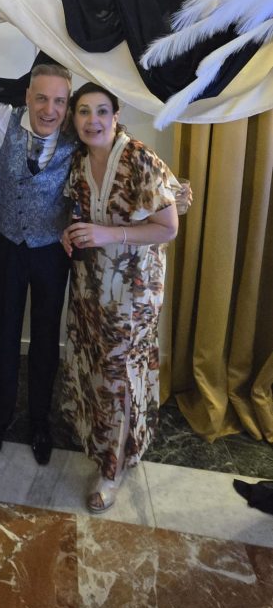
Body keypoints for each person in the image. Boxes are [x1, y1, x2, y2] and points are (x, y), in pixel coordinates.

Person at [60, 82, 179, 513]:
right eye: (84, 111)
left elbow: (168, 227)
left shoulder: (139, 158)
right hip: (90, 284)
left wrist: (110, 234)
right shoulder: (78, 160)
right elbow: (77, 211)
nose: (92, 120)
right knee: (94, 363)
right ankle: (99, 440)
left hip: (132, 291)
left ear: (115, 116)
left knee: (119, 373)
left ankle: (112, 468)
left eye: (101, 111)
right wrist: (68, 232)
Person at [0, 64, 76, 467]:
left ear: (68, 104)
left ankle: (40, 422)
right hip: (8, 247)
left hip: (52, 252)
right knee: (5, 335)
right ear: (27, 96)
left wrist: (170, 191)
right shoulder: (2, 120)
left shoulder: (78, 134)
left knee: (46, 339)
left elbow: (118, 147)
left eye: (59, 101)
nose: (49, 109)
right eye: (41, 98)